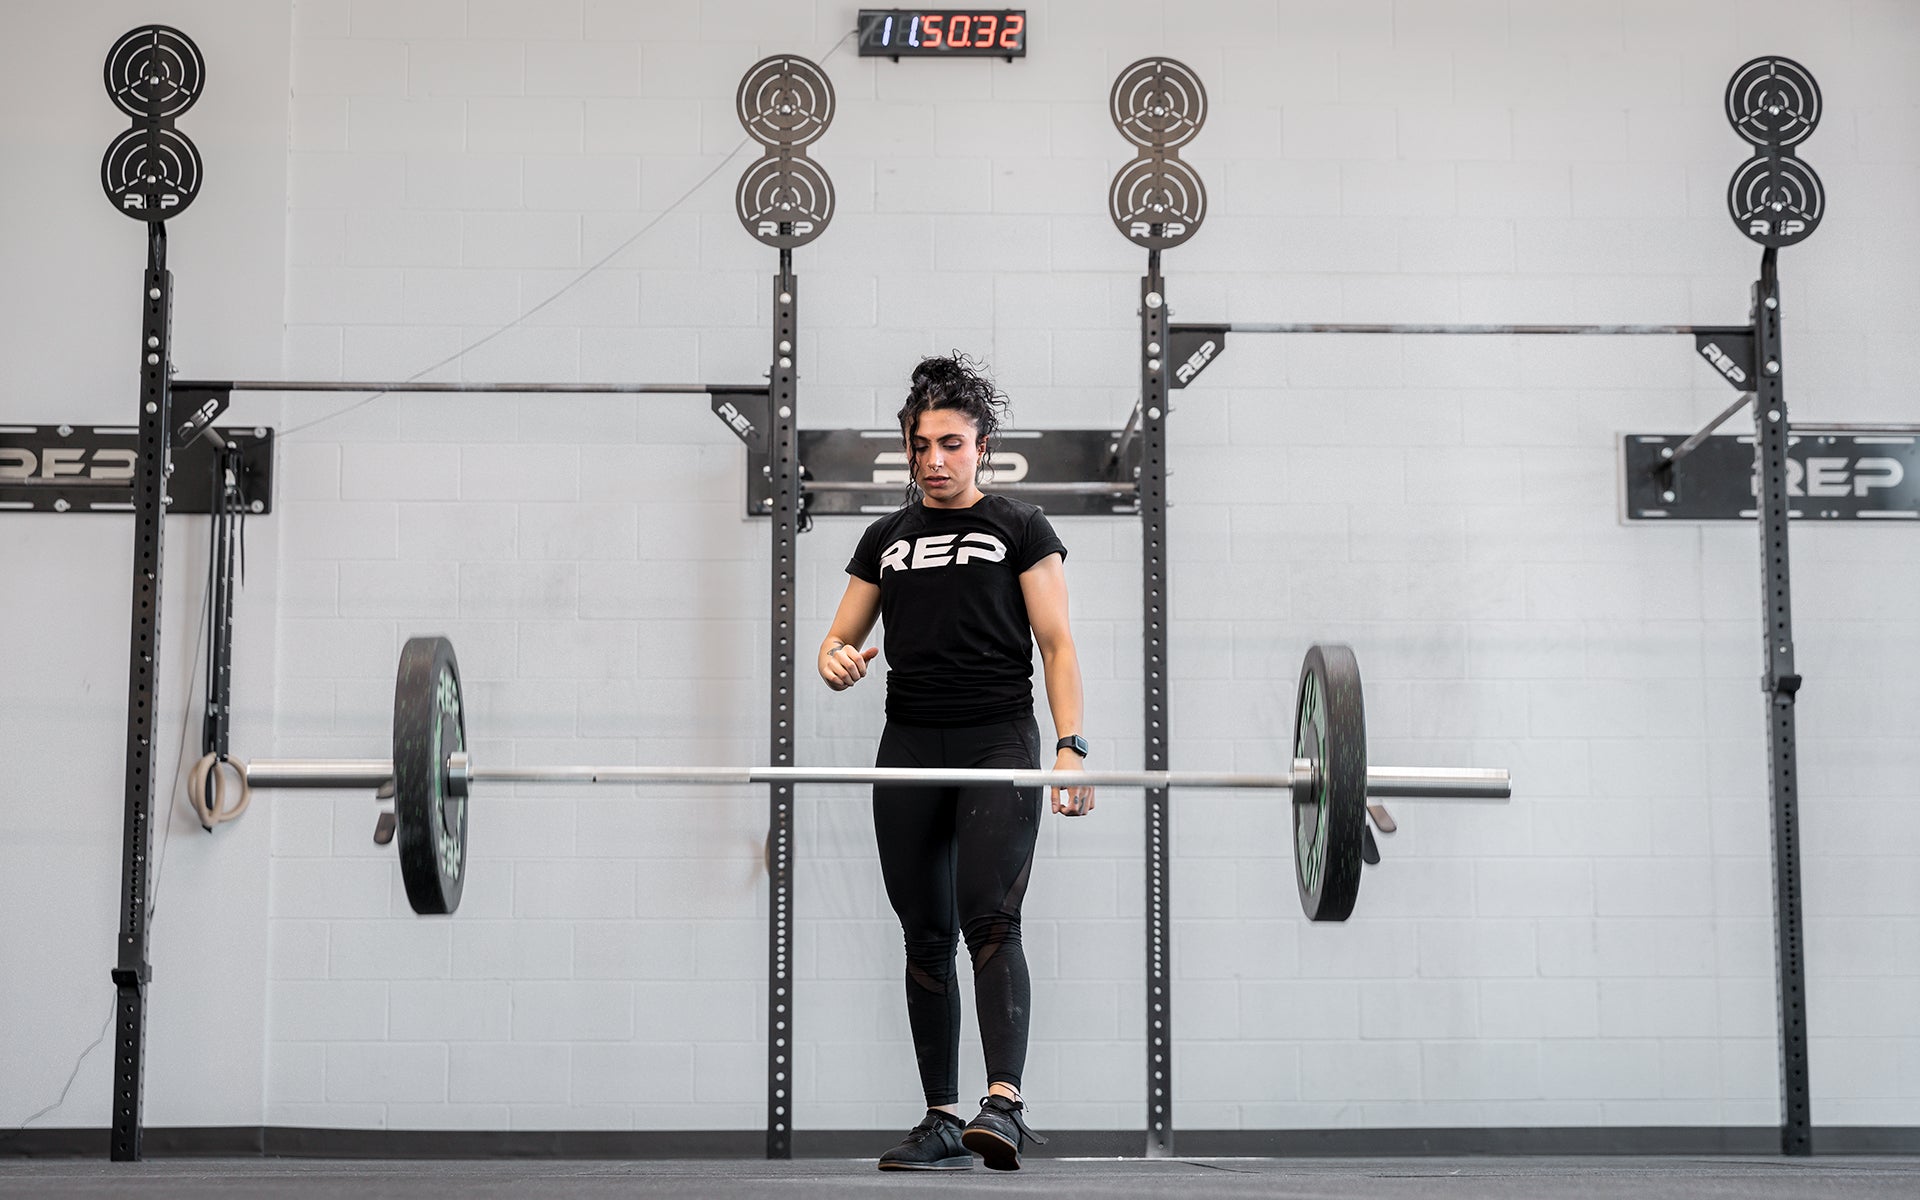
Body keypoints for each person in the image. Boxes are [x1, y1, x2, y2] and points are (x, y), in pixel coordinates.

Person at [817, 354, 1093, 1172]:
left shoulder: (1020, 527)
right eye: (920, 444)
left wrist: (1072, 745)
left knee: (990, 919)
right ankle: (942, 1117)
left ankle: (1001, 1107)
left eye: (950, 443)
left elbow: (1057, 643)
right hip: (908, 744)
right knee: (923, 933)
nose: (934, 459)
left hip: (995, 738)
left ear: (981, 448)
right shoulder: (885, 539)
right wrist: (836, 659)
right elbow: (838, 639)